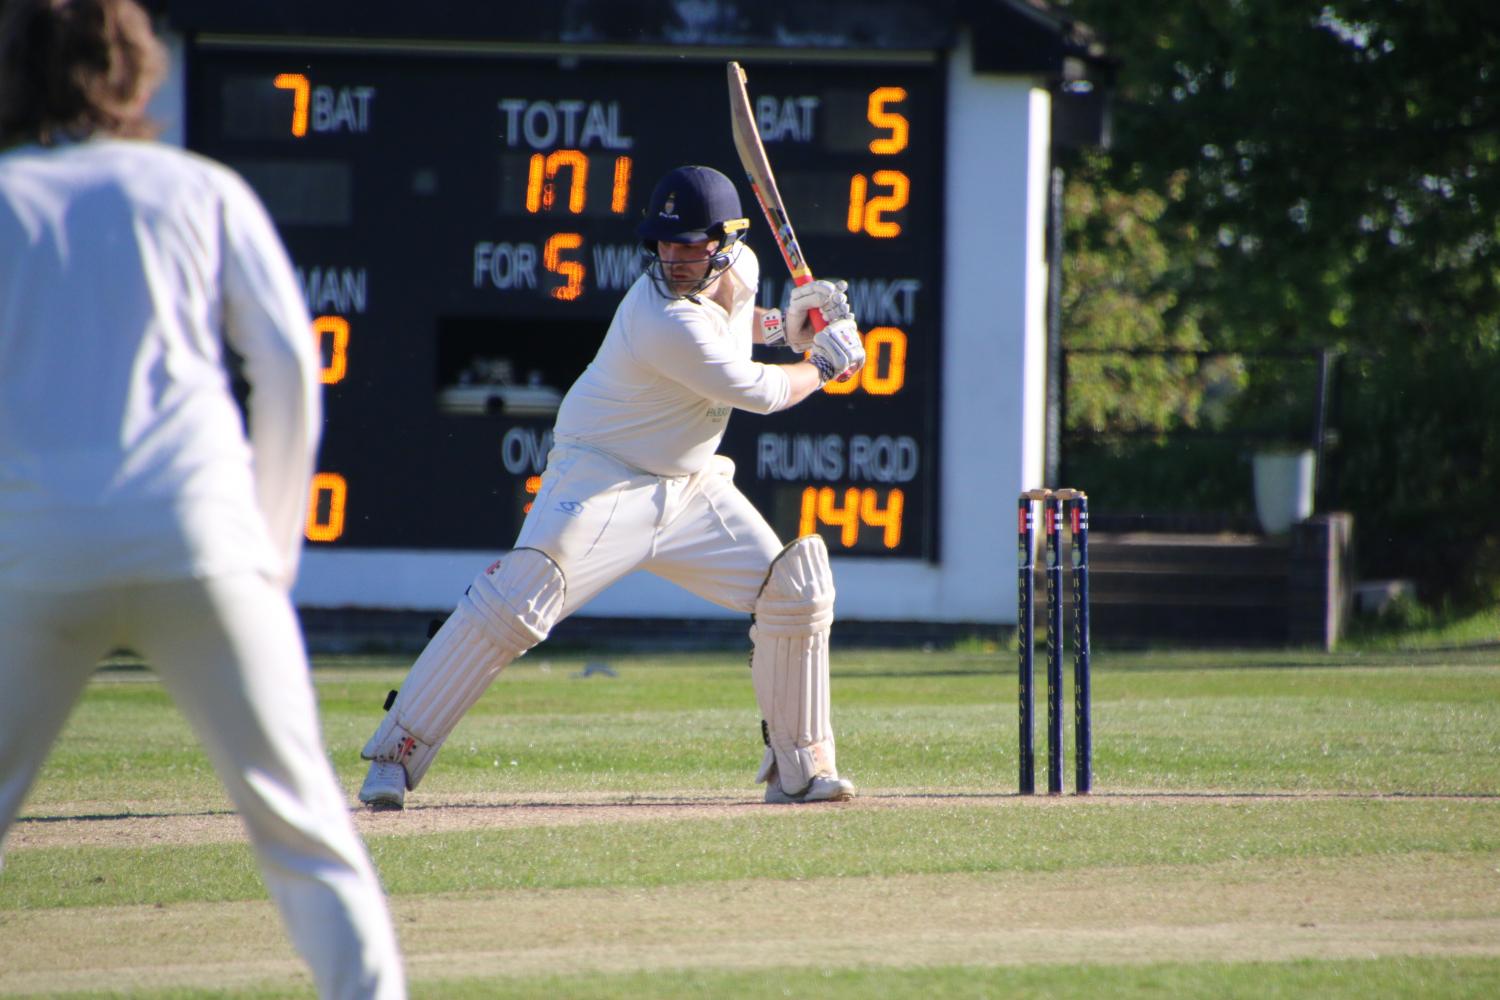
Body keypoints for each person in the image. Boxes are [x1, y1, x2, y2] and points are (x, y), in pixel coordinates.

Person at [0, 2, 405, 997]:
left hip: (37, 547)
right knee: (305, 828)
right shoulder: (200, 187)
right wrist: (270, 550)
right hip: (202, 534)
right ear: (140, 76)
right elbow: (290, 372)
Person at [358, 164, 866, 809]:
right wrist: (824, 360)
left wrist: (781, 329)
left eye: (691, 245)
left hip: (690, 484)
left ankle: (800, 768)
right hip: (604, 474)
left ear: (727, 241)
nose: (676, 258)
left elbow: (736, 329)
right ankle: (395, 754)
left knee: (795, 587)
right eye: (665, 243)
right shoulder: (660, 317)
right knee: (521, 596)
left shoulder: (742, 271)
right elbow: (761, 391)